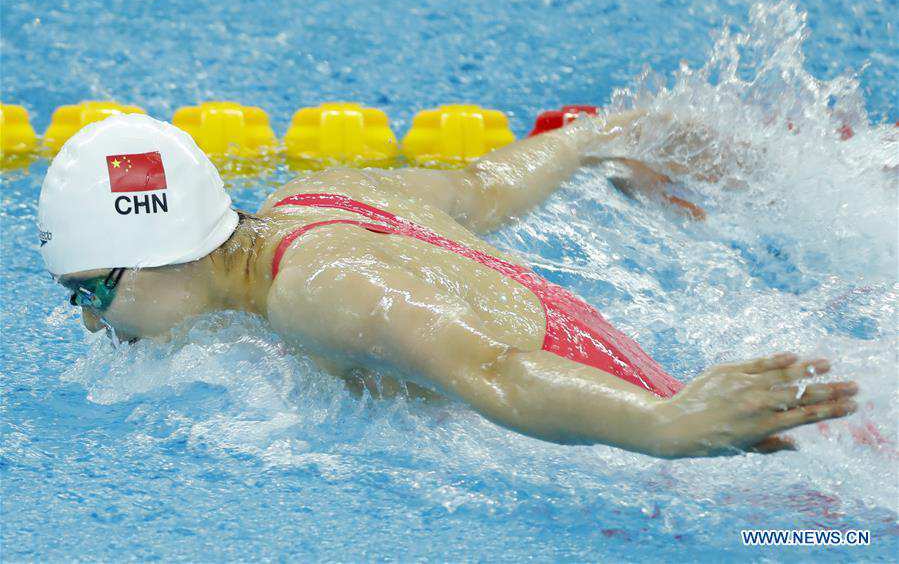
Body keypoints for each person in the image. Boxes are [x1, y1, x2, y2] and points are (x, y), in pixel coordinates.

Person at [39, 113, 858, 459]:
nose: (89, 322)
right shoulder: (318, 196)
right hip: (700, 407)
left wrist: (665, 423)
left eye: (93, 292)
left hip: (712, 454)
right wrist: (593, 137)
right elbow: (481, 187)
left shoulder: (321, 290)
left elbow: (495, 371)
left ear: (163, 251)